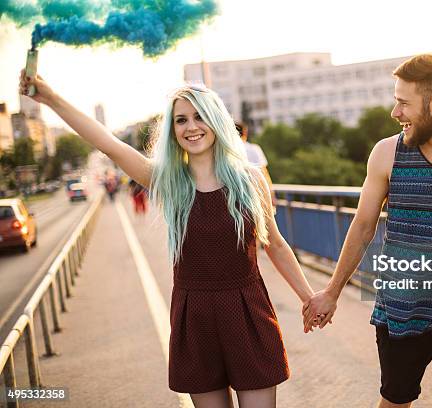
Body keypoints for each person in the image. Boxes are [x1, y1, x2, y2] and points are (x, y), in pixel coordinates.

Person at [20, 72, 315, 408]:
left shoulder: (250, 180)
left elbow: (274, 244)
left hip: (248, 311)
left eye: (200, 116)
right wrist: (50, 97)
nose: (191, 126)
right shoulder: (168, 182)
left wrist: (309, 297)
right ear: (173, 131)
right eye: (181, 120)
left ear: (217, 120)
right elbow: (107, 143)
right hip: (195, 317)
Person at [302, 54, 432, 408]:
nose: (394, 112)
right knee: (396, 402)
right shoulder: (387, 154)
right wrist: (332, 292)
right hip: (400, 308)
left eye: (403, 103)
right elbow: (363, 226)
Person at [235, 122, 276, 206]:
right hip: (257, 194)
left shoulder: (226, 151)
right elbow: (264, 173)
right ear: (245, 134)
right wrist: (272, 195)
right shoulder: (254, 148)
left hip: (236, 196)